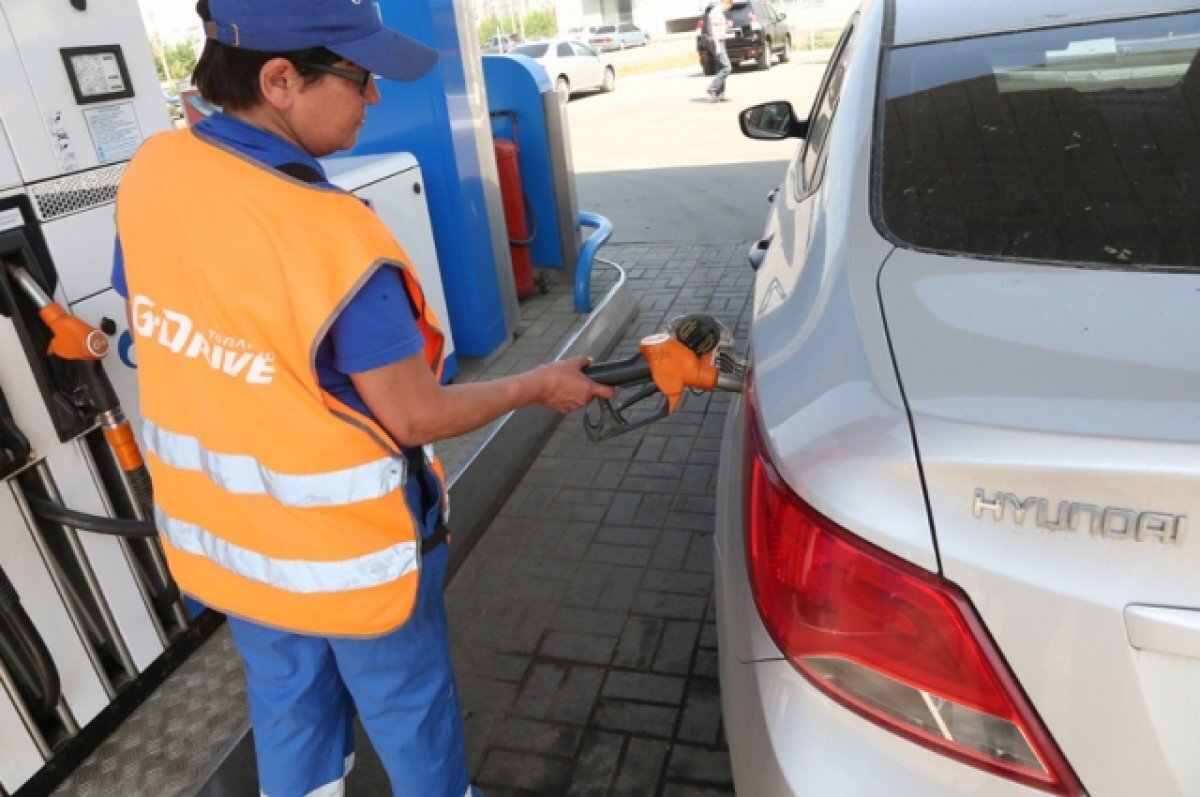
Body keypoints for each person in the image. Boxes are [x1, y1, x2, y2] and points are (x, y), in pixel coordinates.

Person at [112, 1, 613, 795]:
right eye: (360, 77)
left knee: (290, 711)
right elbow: (414, 415)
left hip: (235, 545)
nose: (373, 98)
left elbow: (161, 320)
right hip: (354, 555)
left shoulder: (155, 172)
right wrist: (540, 382)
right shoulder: (333, 236)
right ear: (279, 80)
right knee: (410, 711)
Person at [706, 0, 734, 102]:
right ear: (727, 3)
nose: (729, 9)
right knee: (727, 67)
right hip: (716, 42)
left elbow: (719, 27)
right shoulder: (715, 12)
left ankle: (719, 94)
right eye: (729, 6)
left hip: (721, 41)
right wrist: (717, 45)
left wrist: (727, 25)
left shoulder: (720, 13)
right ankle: (712, 88)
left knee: (721, 67)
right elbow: (713, 30)